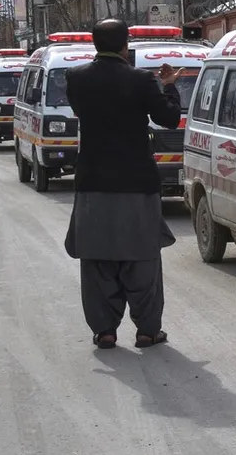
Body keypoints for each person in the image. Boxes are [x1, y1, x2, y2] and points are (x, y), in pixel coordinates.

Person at [63, 19, 182, 349]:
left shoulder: (76, 78)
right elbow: (169, 119)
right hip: (136, 182)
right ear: (125, 45)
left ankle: (104, 330)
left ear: (95, 44)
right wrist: (169, 86)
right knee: (142, 257)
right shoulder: (141, 79)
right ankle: (147, 330)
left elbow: (82, 110)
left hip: (92, 182)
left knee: (97, 258)